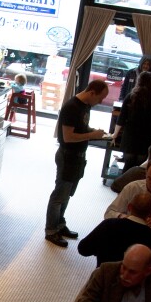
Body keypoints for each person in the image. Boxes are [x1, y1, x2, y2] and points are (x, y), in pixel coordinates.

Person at [44, 80, 109, 248]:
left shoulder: (85, 106)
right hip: (68, 156)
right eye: (100, 98)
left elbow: (80, 129)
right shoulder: (72, 107)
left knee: (67, 194)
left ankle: (59, 224)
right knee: (59, 194)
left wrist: (94, 132)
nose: (101, 102)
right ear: (92, 92)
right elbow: (68, 137)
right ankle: (51, 231)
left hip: (78, 156)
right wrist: (92, 135)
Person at [78, 192, 151, 275]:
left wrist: (100, 248)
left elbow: (83, 249)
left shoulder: (107, 225)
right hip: (135, 289)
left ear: (129, 207)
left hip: (103, 281)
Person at [111, 71, 151, 171]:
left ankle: (125, 184)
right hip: (148, 134)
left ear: (139, 81)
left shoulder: (131, 96)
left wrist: (115, 134)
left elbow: (122, 118)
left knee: (128, 164)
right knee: (141, 166)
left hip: (131, 133)